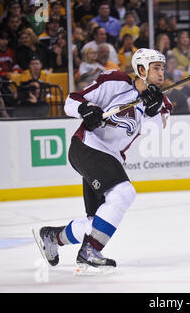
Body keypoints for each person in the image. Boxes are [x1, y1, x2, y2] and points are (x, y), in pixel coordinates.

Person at [33, 48, 172, 273]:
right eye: (156, 67)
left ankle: (53, 236)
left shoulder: (160, 101)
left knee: (95, 224)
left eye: (162, 68)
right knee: (124, 193)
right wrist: (86, 110)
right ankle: (90, 252)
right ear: (141, 69)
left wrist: (152, 109)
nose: (161, 72)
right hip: (87, 146)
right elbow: (71, 100)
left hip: (110, 158)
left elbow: (154, 128)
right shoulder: (115, 81)